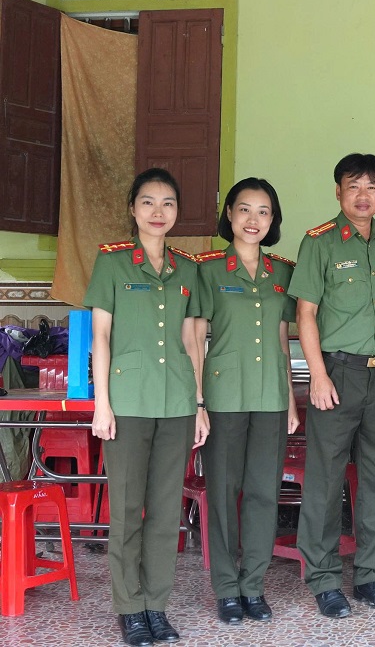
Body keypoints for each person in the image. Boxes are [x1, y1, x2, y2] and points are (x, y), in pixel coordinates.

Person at [86, 168, 209, 647]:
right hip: (128, 403)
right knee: (127, 509)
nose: (158, 213)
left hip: (177, 402)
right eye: (148, 203)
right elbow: (100, 336)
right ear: (133, 209)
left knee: (164, 511)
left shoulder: (188, 269)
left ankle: (156, 605)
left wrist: (198, 404)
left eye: (168, 204)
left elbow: (191, 340)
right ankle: (129, 607)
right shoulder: (112, 263)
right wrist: (102, 404)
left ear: (177, 212)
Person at [287, 153, 375, 618]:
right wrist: (316, 374)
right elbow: (306, 315)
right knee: (325, 478)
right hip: (336, 374)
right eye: (354, 186)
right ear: (338, 192)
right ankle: (322, 579)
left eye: (372, 186)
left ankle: (371, 577)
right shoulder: (319, 243)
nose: (364, 195)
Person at [193, 177, 299, 625]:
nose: (253, 220)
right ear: (230, 215)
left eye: (263, 212)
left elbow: (281, 338)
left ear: (273, 220)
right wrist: (198, 401)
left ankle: (253, 586)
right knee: (223, 491)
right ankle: (226, 588)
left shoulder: (283, 273)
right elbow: (195, 336)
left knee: (262, 494)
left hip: (271, 397)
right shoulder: (209, 270)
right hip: (223, 396)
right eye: (244, 210)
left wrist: (292, 400)